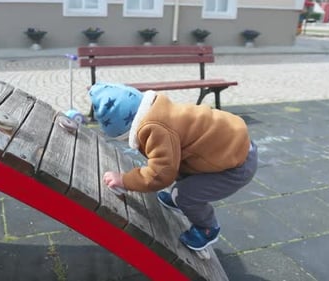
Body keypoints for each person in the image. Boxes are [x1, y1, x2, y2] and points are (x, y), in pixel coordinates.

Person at [89, 82, 258, 251]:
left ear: (130, 129)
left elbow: (160, 174)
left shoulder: (156, 129)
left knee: (186, 195)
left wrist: (125, 180)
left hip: (236, 167)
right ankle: (180, 198)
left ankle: (207, 228)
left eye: (127, 139)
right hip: (229, 147)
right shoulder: (158, 111)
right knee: (178, 163)